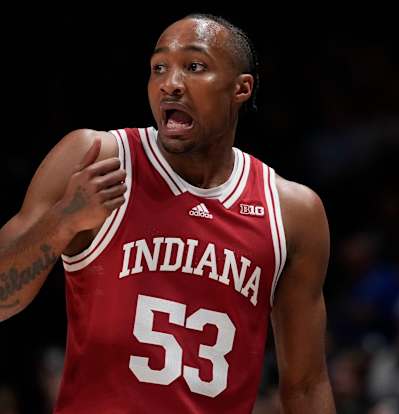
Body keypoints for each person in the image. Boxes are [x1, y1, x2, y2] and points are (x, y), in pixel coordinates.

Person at [0, 14, 335, 414]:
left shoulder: (292, 212)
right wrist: (63, 222)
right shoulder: (95, 159)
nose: (170, 83)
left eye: (194, 67)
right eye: (159, 68)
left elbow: (306, 386)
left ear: (241, 88)